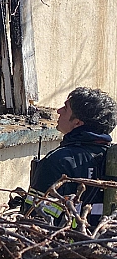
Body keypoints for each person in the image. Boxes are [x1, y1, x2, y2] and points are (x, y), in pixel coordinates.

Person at [23, 87, 117, 226]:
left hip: (66, 246)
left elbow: (34, 220)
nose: (58, 111)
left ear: (77, 123)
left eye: (65, 108)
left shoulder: (59, 161)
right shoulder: (112, 159)